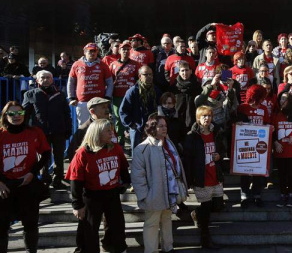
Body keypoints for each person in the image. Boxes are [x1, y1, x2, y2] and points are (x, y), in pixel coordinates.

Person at [65, 119, 130, 253]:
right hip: (91, 195)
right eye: (107, 130)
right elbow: (75, 180)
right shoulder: (83, 153)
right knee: (89, 229)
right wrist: (77, 205)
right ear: (97, 133)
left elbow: (123, 167)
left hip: (112, 194)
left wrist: (125, 182)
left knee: (117, 226)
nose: (111, 133)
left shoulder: (115, 148)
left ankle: (117, 248)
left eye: (111, 130)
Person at [131, 115, 187, 253]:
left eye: (165, 126)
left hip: (169, 192)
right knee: (152, 223)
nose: (164, 128)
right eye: (160, 126)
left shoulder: (169, 143)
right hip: (153, 195)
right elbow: (138, 176)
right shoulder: (142, 149)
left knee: (167, 219)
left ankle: (168, 248)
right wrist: (145, 196)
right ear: (152, 128)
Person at [0, 101, 51, 253]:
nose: (16, 116)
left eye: (20, 113)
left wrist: (32, 173)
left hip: (27, 184)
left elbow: (46, 153)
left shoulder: (35, 132)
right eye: (12, 113)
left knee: (30, 224)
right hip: (5, 186)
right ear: (5, 116)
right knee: (2, 227)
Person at [183, 106, 225, 249]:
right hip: (201, 177)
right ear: (198, 118)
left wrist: (220, 156)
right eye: (204, 116)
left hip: (215, 175)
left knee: (218, 205)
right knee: (206, 211)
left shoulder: (217, 132)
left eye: (209, 116)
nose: (207, 118)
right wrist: (189, 180)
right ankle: (205, 239)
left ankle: (196, 213)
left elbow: (223, 149)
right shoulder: (192, 136)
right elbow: (188, 159)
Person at [22, 70, 71, 189]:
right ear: (37, 80)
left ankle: (58, 179)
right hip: (40, 132)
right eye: (42, 77)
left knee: (59, 156)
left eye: (48, 77)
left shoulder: (60, 94)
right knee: (43, 157)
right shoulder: (30, 94)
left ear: (52, 79)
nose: (46, 80)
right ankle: (45, 179)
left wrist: (68, 129)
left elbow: (66, 113)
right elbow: (25, 114)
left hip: (58, 130)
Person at [236, 85, 270, 208]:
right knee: (244, 172)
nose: (261, 100)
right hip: (245, 144)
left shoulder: (264, 109)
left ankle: (257, 195)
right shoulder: (242, 108)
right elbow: (235, 123)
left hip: (260, 145)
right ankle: (244, 195)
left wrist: (271, 128)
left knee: (258, 172)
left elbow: (267, 123)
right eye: (260, 97)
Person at [67, 43, 113, 125]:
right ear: (84, 52)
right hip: (83, 102)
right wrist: (71, 97)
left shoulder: (103, 65)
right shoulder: (76, 64)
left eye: (94, 51)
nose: (93, 53)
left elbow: (109, 82)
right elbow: (71, 82)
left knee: (100, 126)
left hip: (99, 102)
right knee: (83, 126)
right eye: (90, 51)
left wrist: (107, 96)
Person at [120, 65, 161, 151]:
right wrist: (131, 124)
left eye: (151, 74)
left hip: (153, 128)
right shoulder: (133, 91)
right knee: (137, 154)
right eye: (146, 74)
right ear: (140, 76)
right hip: (137, 129)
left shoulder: (156, 91)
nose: (149, 77)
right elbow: (123, 111)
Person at [109, 42, 142, 147]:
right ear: (119, 51)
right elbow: (109, 81)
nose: (126, 51)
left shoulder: (136, 64)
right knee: (118, 118)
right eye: (123, 49)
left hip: (131, 96)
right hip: (117, 95)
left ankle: (133, 141)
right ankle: (120, 141)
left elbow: (140, 80)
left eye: (128, 49)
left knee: (133, 117)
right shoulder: (113, 65)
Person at [272, 92, 292, 207]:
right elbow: (272, 131)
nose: (282, 101)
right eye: (281, 99)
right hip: (280, 150)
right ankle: (283, 195)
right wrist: (275, 143)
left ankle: (291, 195)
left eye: (285, 99)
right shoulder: (276, 114)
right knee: (282, 175)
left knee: (291, 174)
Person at [169, 60, 202, 130]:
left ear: (191, 71)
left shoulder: (197, 86)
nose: (185, 73)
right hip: (178, 121)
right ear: (179, 72)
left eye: (186, 70)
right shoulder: (174, 87)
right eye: (182, 71)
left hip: (193, 120)